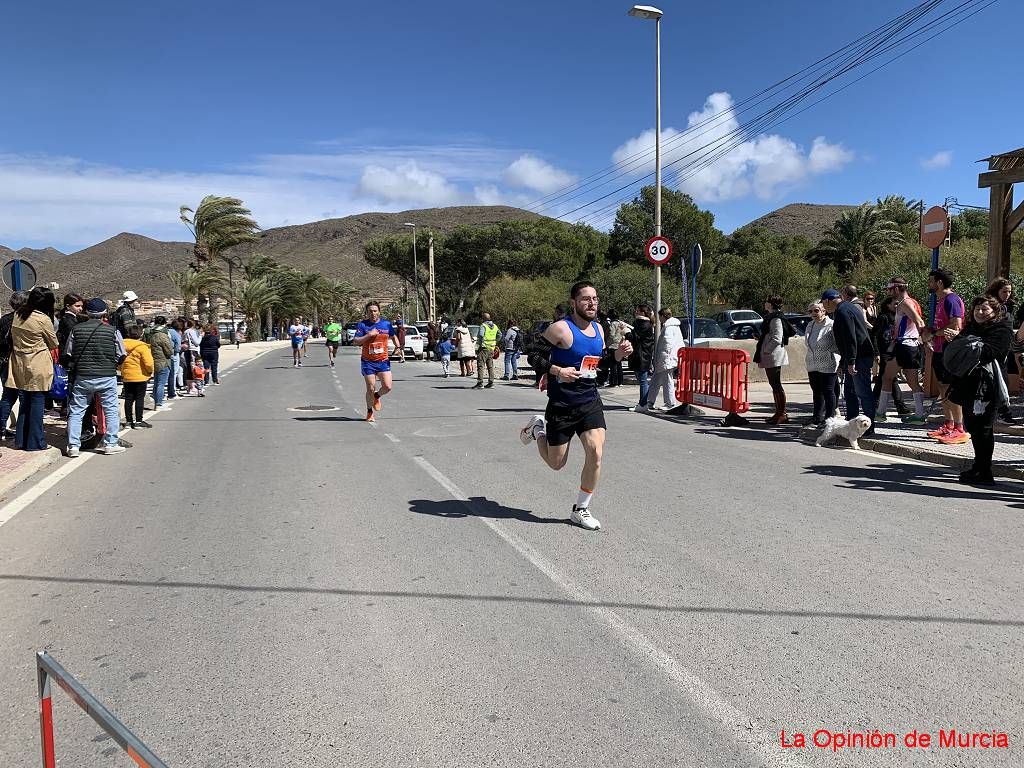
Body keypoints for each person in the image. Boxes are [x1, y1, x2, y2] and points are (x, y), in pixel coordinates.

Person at [520, 281, 633, 531]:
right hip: (562, 404)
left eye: (595, 298)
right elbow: (533, 356)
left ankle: (581, 509)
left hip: (589, 401)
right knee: (556, 464)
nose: (592, 303)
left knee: (596, 452)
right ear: (574, 303)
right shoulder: (560, 329)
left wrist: (618, 355)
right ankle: (538, 429)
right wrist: (557, 370)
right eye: (586, 299)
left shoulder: (600, 330)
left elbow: (599, 363)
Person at [949, 296, 1012, 484]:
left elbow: (992, 352)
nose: (980, 312)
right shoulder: (970, 328)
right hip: (969, 384)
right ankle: (978, 466)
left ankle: (985, 471)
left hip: (988, 386)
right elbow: (961, 350)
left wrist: (967, 345)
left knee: (984, 428)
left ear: (994, 311)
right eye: (977, 309)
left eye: (985, 309)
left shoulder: (1001, 329)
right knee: (973, 427)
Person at [62, 298, 127, 456]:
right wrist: (112, 365)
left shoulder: (76, 330)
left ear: (87, 312)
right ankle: (111, 443)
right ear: (105, 313)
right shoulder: (113, 331)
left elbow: (68, 354)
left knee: (77, 411)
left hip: (83, 377)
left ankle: (73, 446)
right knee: (110, 410)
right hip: (106, 376)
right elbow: (122, 354)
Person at [6, 286, 59, 451]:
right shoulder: (43, 319)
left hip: (19, 363)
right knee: (37, 402)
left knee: (25, 401)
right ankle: (36, 442)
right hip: (38, 362)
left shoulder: (18, 315)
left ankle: (21, 440)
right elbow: (54, 343)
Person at [821, 288, 875, 433]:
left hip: (859, 358)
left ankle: (868, 428)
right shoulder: (846, 307)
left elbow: (851, 338)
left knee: (862, 392)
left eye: (824, 304)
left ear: (828, 301)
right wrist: (843, 362)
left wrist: (851, 362)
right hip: (854, 357)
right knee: (850, 391)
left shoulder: (843, 311)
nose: (824, 308)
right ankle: (851, 425)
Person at [922, 269, 967, 442]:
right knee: (942, 388)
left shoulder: (952, 300)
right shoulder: (941, 300)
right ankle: (948, 424)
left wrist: (934, 334)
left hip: (950, 350)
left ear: (939, 282)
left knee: (951, 389)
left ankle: (959, 427)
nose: (929, 284)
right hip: (940, 350)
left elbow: (956, 326)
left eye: (931, 281)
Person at [876, 278, 927, 426]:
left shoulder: (905, 303)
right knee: (909, 381)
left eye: (889, 289)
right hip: (909, 346)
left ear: (897, 289)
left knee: (888, 377)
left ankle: (881, 413)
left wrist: (924, 339)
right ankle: (918, 415)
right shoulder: (912, 302)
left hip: (905, 346)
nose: (888, 292)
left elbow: (919, 322)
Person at [352, 301, 398, 423]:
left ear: (379, 311)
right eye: (370, 311)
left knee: (387, 387)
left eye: (375, 310)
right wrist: (369, 335)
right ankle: (369, 412)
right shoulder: (362, 325)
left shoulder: (386, 324)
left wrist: (397, 346)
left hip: (383, 361)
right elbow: (356, 341)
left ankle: (377, 396)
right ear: (367, 312)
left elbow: (393, 336)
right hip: (368, 362)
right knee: (370, 388)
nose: (373, 313)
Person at [870, 295, 910, 418]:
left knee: (886, 378)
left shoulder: (899, 317)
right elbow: (874, 336)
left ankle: (874, 403)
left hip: (895, 352)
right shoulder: (883, 318)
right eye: (895, 303)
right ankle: (900, 406)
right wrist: (876, 353)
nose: (897, 306)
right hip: (885, 352)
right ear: (888, 305)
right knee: (889, 378)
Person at [984, 278, 1017, 424]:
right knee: (998, 381)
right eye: (1004, 291)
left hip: (1005, 349)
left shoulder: (1008, 306)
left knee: (1002, 381)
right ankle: (1003, 412)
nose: (1007, 294)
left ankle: (1000, 411)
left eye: (1009, 291)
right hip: (994, 348)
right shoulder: (991, 306)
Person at [754, 296, 790, 424]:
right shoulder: (771, 318)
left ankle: (782, 413)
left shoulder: (775, 319)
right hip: (770, 356)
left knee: (776, 384)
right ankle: (779, 412)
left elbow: (777, 338)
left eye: (767, 302)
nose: (765, 303)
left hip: (774, 356)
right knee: (774, 385)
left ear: (771, 304)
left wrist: (766, 350)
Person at [803, 301, 840, 427]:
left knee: (828, 391)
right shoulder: (810, 325)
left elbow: (839, 344)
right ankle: (817, 417)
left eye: (816, 310)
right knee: (816, 391)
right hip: (812, 363)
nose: (813, 313)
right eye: (811, 311)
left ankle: (830, 417)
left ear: (824, 311)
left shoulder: (832, 325)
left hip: (828, 362)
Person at [0, 291, 29, 440]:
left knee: (8, 396)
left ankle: (1, 428)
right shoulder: (26, 320)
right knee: (24, 396)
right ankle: (23, 431)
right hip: (21, 362)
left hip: (4, 362)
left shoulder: (4, 319)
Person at [648, 307, 684, 410]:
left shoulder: (669, 327)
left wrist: (663, 357)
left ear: (663, 316)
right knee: (656, 380)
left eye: (660, 316)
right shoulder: (673, 326)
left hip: (666, 358)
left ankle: (670, 403)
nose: (659, 319)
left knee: (667, 380)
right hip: (668, 358)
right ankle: (650, 401)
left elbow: (667, 344)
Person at [120, 325, 154, 429]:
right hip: (140, 376)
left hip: (127, 375)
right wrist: (150, 372)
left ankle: (129, 421)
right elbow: (148, 363)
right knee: (139, 398)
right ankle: (139, 421)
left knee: (129, 398)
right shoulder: (142, 347)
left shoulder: (122, 345)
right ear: (141, 334)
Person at [628, 304, 655, 412]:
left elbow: (636, 337)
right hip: (641, 355)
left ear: (643, 312)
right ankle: (644, 402)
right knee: (641, 379)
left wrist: (626, 332)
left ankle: (643, 404)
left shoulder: (644, 324)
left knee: (643, 380)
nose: (636, 311)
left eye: (638, 310)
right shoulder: (642, 323)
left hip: (642, 355)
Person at [148, 316, 174, 410]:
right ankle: (159, 403)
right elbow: (169, 351)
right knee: (161, 384)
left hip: (155, 360)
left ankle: (157, 402)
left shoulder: (150, 333)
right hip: (163, 361)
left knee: (157, 383)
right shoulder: (162, 335)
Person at [473, 312, 500, 389]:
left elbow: (481, 335)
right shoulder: (495, 326)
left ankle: (480, 383)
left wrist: (479, 345)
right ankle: (491, 382)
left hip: (484, 348)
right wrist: (494, 341)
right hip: (491, 348)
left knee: (481, 365)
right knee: (490, 366)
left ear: (483, 318)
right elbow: (500, 335)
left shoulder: (483, 326)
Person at [604, 311, 631, 388]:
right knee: (619, 365)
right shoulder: (621, 323)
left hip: (613, 345)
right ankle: (620, 381)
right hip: (619, 345)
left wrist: (607, 344)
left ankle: (613, 382)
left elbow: (611, 335)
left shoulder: (613, 324)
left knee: (613, 365)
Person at [166, 317, 182, 400]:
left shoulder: (168, 331)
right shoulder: (176, 334)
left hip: (167, 354)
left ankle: (171, 391)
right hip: (174, 354)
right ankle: (172, 392)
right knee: (174, 373)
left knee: (170, 374)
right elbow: (177, 347)